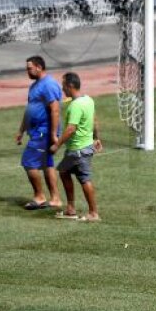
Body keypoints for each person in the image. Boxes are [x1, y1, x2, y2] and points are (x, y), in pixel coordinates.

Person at [50, 72, 102, 222]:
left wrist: (57, 145)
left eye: (64, 86)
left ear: (70, 86)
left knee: (84, 179)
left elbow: (71, 129)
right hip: (82, 148)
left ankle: (93, 213)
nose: (62, 89)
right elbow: (94, 120)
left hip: (78, 150)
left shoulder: (75, 106)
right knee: (64, 171)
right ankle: (71, 209)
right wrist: (96, 138)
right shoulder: (88, 100)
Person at [14, 56, 63, 211]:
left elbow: (55, 109)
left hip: (44, 131)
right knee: (47, 164)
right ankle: (55, 199)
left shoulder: (48, 85)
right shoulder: (34, 86)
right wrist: (21, 130)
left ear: (39, 67)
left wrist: (53, 134)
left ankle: (39, 197)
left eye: (29, 68)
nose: (27, 71)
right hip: (37, 131)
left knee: (28, 162)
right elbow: (30, 110)